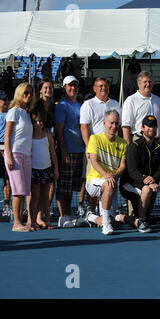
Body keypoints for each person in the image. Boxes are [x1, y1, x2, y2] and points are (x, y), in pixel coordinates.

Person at [80, 77, 122, 216]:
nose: (103, 88)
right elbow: (84, 127)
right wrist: (89, 148)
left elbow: (119, 127)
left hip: (111, 150)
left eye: (105, 86)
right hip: (94, 149)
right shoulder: (88, 105)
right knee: (93, 180)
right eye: (100, 86)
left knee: (110, 179)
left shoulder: (115, 104)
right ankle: (91, 211)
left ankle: (107, 210)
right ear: (94, 88)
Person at [84, 110, 127, 235]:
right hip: (93, 182)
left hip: (111, 184)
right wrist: (106, 175)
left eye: (116, 123)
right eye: (111, 123)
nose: (114, 126)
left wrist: (114, 176)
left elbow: (123, 165)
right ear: (104, 123)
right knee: (108, 184)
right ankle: (106, 225)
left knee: (111, 219)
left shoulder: (123, 143)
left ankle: (91, 217)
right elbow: (94, 161)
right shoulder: (95, 139)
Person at [120, 115, 160, 233]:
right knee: (148, 189)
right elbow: (132, 170)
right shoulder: (134, 146)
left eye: (154, 126)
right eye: (149, 126)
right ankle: (141, 221)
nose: (152, 129)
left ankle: (122, 217)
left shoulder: (159, 147)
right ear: (142, 128)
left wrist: (153, 179)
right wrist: (147, 181)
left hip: (146, 183)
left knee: (153, 188)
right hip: (128, 184)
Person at [54, 76, 86, 228]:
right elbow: (59, 131)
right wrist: (64, 152)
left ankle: (68, 213)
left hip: (79, 151)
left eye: (75, 85)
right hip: (67, 151)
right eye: (70, 85)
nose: (73, 88)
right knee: (63, 186)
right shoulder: (61, 106)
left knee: (72, 186)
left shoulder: (80, 105)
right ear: (64, 87)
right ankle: (63, 216)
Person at [3, 83, 34, 232]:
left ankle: (20, 222)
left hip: (27, 156)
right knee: (17, 191)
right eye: (26, 93)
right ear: (19, 93)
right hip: (15, 155)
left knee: (24, 191)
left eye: (30, 93)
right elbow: (7, 135)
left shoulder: (27, 113)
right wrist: (9, 156)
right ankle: (16, 223)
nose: (28, 96)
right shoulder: (13, 111)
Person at [29, 108, 59, 230]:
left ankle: (48, 221)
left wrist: (56, 169)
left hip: (47, 170)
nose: (38, 124)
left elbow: (53, 153)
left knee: (46, 197)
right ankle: (33, 222)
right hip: (34, 171)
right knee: (35, 197)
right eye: (35, 122)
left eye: (40, 121)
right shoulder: (29, 137)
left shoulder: (48, 135)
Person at [122, 71, 160, 144]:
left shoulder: (157, 100)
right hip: (139, 141)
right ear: (139, 84)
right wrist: (128, 148)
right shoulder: (131, 100)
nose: (148, 84)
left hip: (156, 142)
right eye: (145, 82)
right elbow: (126, 127)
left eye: (150, 81)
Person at [0, 91, 12, 217]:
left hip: (6, 149)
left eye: (6, 99)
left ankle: (7, 207)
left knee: (7, 181)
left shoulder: (10, 115)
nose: (6, 102)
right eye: (3, 100)